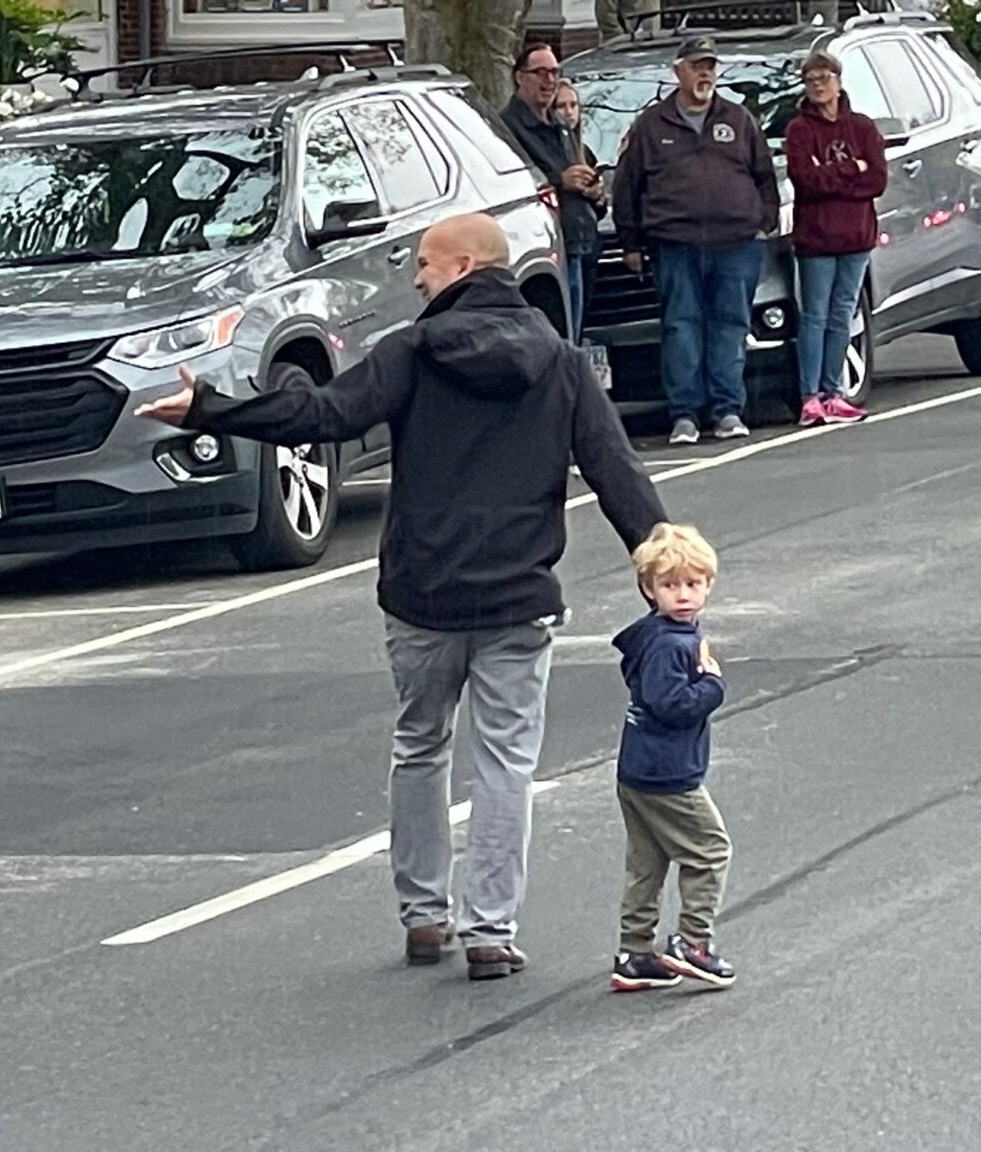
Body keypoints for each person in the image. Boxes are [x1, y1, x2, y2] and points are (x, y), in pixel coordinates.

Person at [136, 214, 667, 981]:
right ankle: (492, 929)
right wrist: (665, 573)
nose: (415, 278)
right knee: (504, 767)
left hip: (421, 594)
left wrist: (212, 409)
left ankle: (425, 915)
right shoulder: (557, 361)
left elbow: (323, 416)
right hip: (518, 596)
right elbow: (616, 472)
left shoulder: (412, 352)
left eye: (423, 264)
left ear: (460, 266)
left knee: (420, 747)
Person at [613, 35, 780, 446]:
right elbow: (628, 185)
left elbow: (764, 176)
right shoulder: (652, 125)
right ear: (678, 71)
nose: (705, 73)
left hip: (737, 243)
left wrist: (765, 223)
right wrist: (630, 242)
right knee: (681, 328)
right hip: (675, 243)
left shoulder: (739, 119)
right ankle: (684, 415)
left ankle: (727, 410)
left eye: (710, 66)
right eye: (696, 65)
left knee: (730, 327)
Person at [608, 523, 735, 993]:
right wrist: (712, 685)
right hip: (667, 773)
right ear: (649, 588)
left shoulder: (657, 637)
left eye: (692, 584)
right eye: (669, 585)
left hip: (637, 768)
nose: (682, 594)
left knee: (648, 860)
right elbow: (672, 704)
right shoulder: (669, 644)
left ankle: (635, 952)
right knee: (710, 849)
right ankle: (693, 941)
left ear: (708, 585)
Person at [784, 50, 886, 427]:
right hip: (816, 239)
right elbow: (804, 181)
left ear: (838, 82)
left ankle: (834, 392)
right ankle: (810, 397)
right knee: (814, 316)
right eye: (811, 81)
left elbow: (876, 179)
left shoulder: (862, 127)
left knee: (842, 314)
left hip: (857, 237)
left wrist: (830, 170)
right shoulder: (799, 130)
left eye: (824, 79)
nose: (818, 87)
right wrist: (850, 169)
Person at [502, 44, 603, 340]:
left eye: (555, 73)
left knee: (574, 337)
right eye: (540, 73)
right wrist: (560, 181)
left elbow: (577, 173)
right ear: (520, 78)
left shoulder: (559, 124)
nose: (549, 81)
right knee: (557, 340)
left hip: (578, 243)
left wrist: (592, 190)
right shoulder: (508, 127)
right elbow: (511, 185)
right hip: (543, 253)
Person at [554, 79, 607, 338]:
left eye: (573, 105)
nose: (569, 112)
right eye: (561, 105)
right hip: (567, 245)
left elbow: (600, 209)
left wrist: (597, 196)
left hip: (590, 245)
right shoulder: (553, 152)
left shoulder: (583, 151)